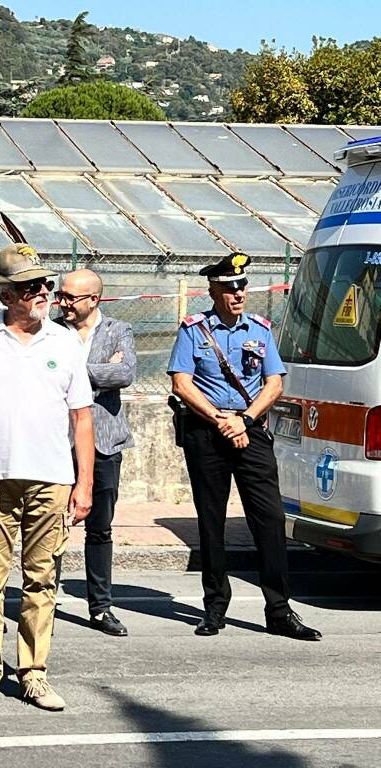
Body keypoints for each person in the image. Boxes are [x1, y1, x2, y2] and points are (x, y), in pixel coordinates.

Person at [0, 244, 94, 714]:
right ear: (7, 294)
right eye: (31, 287)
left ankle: (33, 673)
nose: (42, 293)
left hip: (51, 478)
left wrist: (85, 484)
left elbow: (82, 418)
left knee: (42, 578)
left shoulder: (65, 343)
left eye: (45, 285)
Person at [167, 252, 320, 641]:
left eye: (242, 287)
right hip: (208, 430)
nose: (238, 294)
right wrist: (222, 420)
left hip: (249, 429)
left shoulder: (261, 329)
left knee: (268, 520)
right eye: (230, 288)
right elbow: (182, 384)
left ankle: (280, 610)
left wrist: (245, 421)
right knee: (211, 521)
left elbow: (274, 384)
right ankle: (214, 608)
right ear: (213, 291)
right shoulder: (194, 330)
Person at [54, 269, 135, 637]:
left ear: (94, 300)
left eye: (71, 297)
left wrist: (73, 372)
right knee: (49, 526)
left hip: (104, 443)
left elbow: (126, 373)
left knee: (100, 530)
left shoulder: (119, 330)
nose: (63, 302)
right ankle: (42, 598)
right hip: (57, 442)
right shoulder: (51, 331)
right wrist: (101, 371)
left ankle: (100, 607)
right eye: (62, 295)